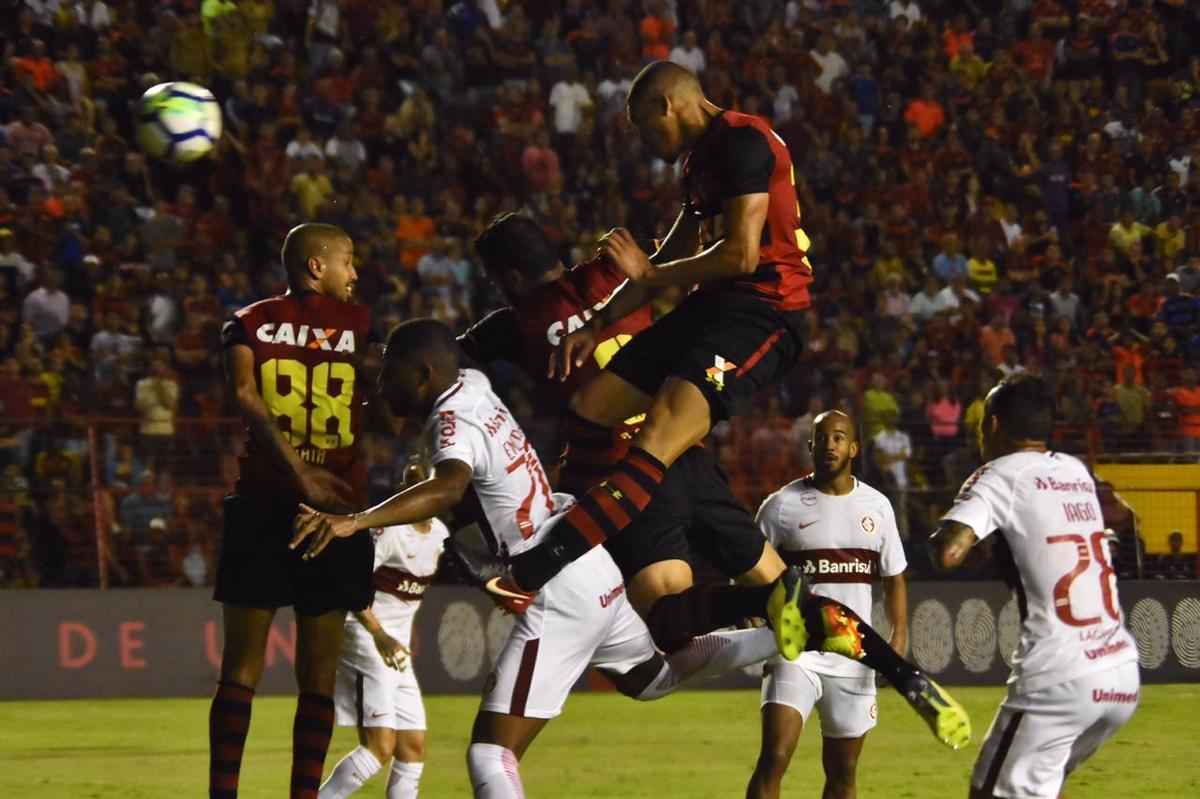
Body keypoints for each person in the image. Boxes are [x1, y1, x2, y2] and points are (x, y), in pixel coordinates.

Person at [292, 319, 784, 799]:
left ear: (422, 375)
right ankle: (783, 630)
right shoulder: (474, 385)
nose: (380, 385)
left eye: (388, 373)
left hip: (553, 582)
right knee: (651, 678)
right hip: (585, 557)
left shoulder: (450, 422)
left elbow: (450, 487)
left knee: (490, 755)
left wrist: (354, 520)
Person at [464, 212, 785, 654]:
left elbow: (442, 359)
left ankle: (764, 609)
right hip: (684, 450)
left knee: (672, 625)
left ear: (511, 277)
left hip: (625, 480)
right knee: (782, 585)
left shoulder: (512, 326)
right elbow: (673, 255)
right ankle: (826, 639)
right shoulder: (613, 271)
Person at [209, 223, 375, 799]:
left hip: (261, 502)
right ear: (316, 267)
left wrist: (292, 469)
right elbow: (384, 397)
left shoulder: (247, 321)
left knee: (241, 670)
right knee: (319, 678)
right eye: (347, 261)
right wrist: (315, 473)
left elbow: (245, 394)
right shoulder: (362, 327)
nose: (354, 274)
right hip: (335, 511)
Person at [929, 376, 1140, 799]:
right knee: (1041, 784)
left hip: (1059, 677)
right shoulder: (1074, 471)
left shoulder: (998, 474)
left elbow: (949, 553)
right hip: (1119, 673)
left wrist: (939, 535)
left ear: (993, 425)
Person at [748, 411, 912, 799]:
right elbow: (748, 567)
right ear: (810, 447)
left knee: (844, 773)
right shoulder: (780, 506)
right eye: (822, 438)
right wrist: (753, 611)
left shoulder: (878, 506)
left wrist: (899, 636)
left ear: (853, 447)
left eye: (839, 438)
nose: (830, 445)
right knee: (774, 756)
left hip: (853, 655)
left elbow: (894, 578)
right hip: (795, 650)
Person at [320, 460, 448, 799]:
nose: (415, 490)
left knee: (412, 746)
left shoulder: (440, 534)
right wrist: (379, 634)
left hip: (397, 647)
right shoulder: (389, 532)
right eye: (409, 484)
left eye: (422, 485)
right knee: (380, 746)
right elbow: (350, 584)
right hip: (366, 637)